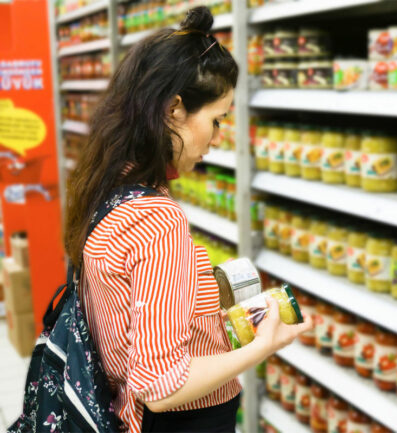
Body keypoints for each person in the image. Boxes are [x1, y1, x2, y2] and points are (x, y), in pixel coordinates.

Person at [63, 6, 313, 433]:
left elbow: (131, 313)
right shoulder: (158, 219)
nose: (217, 139)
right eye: (216, 120)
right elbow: (160, 388)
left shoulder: (108, 185)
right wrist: (266, 344)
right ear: (174, 109)